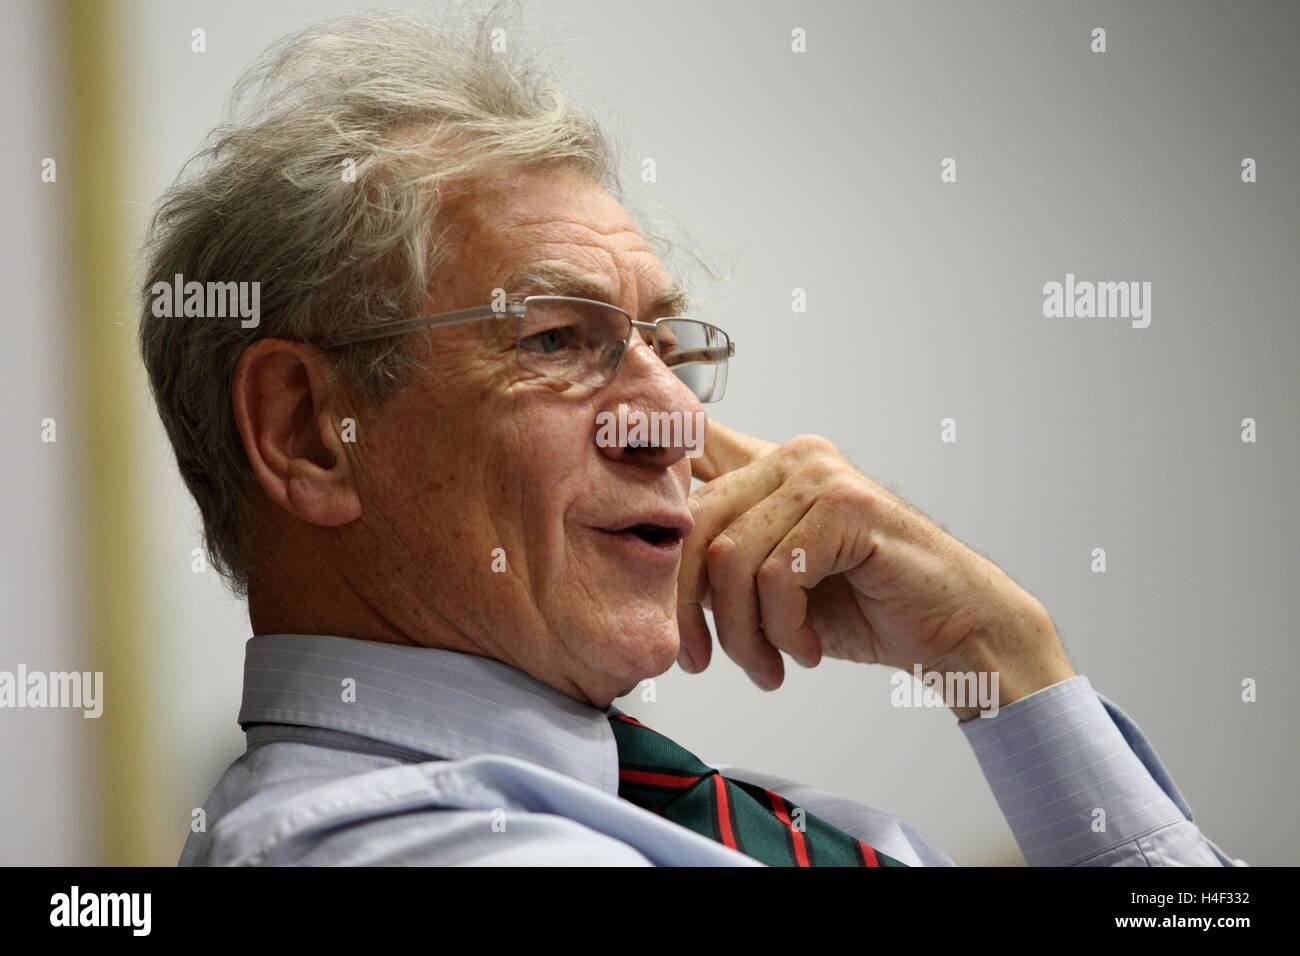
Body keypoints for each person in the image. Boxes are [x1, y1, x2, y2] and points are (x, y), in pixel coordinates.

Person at [137, 9, 1241, 866]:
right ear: (308, 435)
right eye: (558, 338)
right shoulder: (387, 846)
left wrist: (994, 657)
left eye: (666, 344)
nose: (672, 420)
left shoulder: (719, 812)